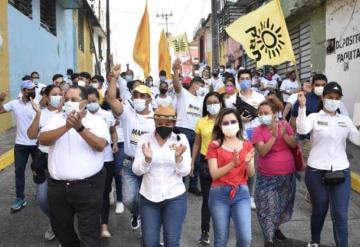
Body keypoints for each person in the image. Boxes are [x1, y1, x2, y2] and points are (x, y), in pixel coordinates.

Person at [38, 85, 110, 247]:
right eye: (67, 99)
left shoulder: (97, 121)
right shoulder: (55, 119)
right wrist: (67, 127)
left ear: (84, 102)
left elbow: (100, 145)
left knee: (89, 231)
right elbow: (43, 139)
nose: (69, 102)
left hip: (88, 186)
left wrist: (80, 128)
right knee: (61, 229)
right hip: (58, 187)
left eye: (74, 100)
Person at [296, 82, 360, 247]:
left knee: (340, 214)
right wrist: (302, 107)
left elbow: (357, 139)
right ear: (323, 97)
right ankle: (315, 241)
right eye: (330, 97)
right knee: (319, 210)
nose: (333, 101)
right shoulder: (314, 117)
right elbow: (302, 130)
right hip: (316, 172)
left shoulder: (345, 120)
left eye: (337, 98)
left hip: (341, 172)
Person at [132, 105, 191, 247]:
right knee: (150, 242)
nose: (163, 126)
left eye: (167, 124)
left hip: (174, 197)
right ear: (154, 122)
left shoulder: (180, 140)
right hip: (149, 197)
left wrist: (178, 159)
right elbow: (136, 170)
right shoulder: (145, 139)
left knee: (172, 240)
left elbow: (185, 171)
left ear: (174, 124)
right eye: (159, 123)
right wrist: (147, 160)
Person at [107, 65, 155, 230]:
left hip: (150, 164)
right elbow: (111, 100)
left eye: (142, 96)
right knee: (128, 199)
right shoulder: (127, 113)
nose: (138, 98)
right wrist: (113, 78)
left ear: (149, 98)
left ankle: (149, 227)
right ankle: (138, 213)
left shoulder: (156, 118)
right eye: (135, 95)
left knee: (150, 198)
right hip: (129, 164)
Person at [207, 108, 255, 247]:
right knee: (221, 239)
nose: (230, 125)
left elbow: (251, 174)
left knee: (245, 238)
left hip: (241, 193)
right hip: (219, 194)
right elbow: (214, 174)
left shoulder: (247, 144)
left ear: (239, 124)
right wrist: (232, 164)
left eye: (233, 121)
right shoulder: (215, 145)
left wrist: (247, 162)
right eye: (225, 122)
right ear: (220, 126)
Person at [252, 101, 297, 247]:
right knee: (267, 207)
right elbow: (263, 151)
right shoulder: (258, 130)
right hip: (267, 176)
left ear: (274, 114)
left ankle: (276, 228)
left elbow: (293, 145)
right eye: (260, 113)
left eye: (266, 113)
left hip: (287, 174)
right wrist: (273, 136)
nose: (263, 116)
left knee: (283, 205)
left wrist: (283, 135)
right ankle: (269, 239)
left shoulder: (284, 125)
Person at [27, 84, 63, 241]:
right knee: (42, 198)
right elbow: (31, 135)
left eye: (60, 94)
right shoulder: (41, 114)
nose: (58, 97)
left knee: (62, 198)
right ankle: (56, 222)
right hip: (43, 159)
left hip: (62, 159)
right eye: (54, 94)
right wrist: (38, 114)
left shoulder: (67, 113)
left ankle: (63, 230)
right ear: (47, 97)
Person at [0, 80, 38, 212]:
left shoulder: (38, 103)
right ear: (23, 91)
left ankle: (41, 194)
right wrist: (1, 99)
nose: (32, 91)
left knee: (39, 170)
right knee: (19, 172)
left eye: (33, 89)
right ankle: (20, 198)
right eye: (29, 89)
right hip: (21, 144)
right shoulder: (14, 104)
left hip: (36, 143)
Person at [192, 92, 223, 245]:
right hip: (206, 163)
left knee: (223, 198)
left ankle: (222, 230)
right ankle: (205, 232)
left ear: (221, 103)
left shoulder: (227, 121)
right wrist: (192, 162)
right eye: (209, 102)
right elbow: (196, 144)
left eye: (215, 102)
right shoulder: (201, 122)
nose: (212, 105)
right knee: (207, 199)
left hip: (225, 163)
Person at [86, 87, 118, 238]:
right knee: (90, 195)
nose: (92, 104)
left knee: (104, 193)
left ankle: (104, 225)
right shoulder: (81, 117)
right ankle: (91, 225)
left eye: (94, 101)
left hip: (106, 159)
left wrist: (115, 143)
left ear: (98, 100)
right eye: (89, 101)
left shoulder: (107, 115)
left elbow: (113, 131)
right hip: (88, 160)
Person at [173, 59, 205, 196]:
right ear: (194, 84)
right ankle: (179, 183)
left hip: (197, 132)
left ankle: (193, 185)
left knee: (196, 161)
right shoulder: (183, 94)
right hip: (183, 130)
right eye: (200, 84)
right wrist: (175, 71)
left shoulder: (201, 99)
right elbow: (176, 85)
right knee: (181, 157)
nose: (202, 87)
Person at [236, 69, 266, 209]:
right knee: (238, 166)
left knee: (252, 167)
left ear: (252, 80)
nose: (245, 81)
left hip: (255, 138)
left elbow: (266, 115)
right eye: (242, 78)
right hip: (238, 138)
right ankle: (238, 193)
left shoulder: (260, 98)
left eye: (247, 78)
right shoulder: (232, 99)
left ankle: (251, 196)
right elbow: (227, 118)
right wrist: (239, 119)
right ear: (238, 80)